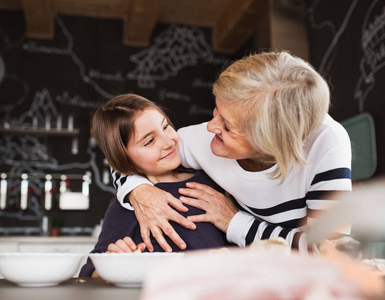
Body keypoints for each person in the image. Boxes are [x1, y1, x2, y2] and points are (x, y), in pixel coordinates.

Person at [113, 51, 352, 254]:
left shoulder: (326, 143)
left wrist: (234, 221)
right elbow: (122, 157)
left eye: (227, 125)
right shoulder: (203, 139)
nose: (210, 127)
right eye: (215, 111)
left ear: (272, 141)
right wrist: (140, 191)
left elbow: (329, 249)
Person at [79, 94, 232, 277]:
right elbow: (89, 273)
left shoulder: (214, 182)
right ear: (124, 158)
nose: (169, 142)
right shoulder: (127, 207)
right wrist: (113, 262)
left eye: (166, 126)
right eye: (149, 141)